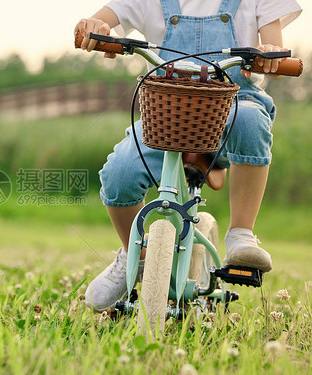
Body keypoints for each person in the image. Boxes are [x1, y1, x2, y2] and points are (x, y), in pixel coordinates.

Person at [75, 0, 302, 313]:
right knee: (119, 174)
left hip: (233, 104)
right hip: (166, 113)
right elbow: (104, 19)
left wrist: (269, 56)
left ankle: (241, 234)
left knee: (252, 122)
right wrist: (93, 27)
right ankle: (136, 255)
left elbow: (274, 46)